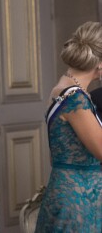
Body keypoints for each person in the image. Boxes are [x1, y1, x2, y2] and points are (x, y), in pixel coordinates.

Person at [35, 21, 102, 232]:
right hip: (78, 200)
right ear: (99, 63)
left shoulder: (66, 89)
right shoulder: (75, 98)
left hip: (73, 191)